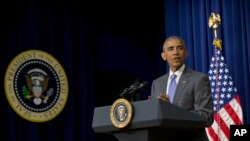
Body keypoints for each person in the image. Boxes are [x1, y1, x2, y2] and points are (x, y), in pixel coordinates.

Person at [150, 36, 213, 141]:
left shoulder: (199, 79)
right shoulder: (157, 83)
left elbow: (207, 117)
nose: (175, 52)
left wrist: (172, 109)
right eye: (170, 49)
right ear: (163, 56)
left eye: (180, 48)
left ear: (186, 53)